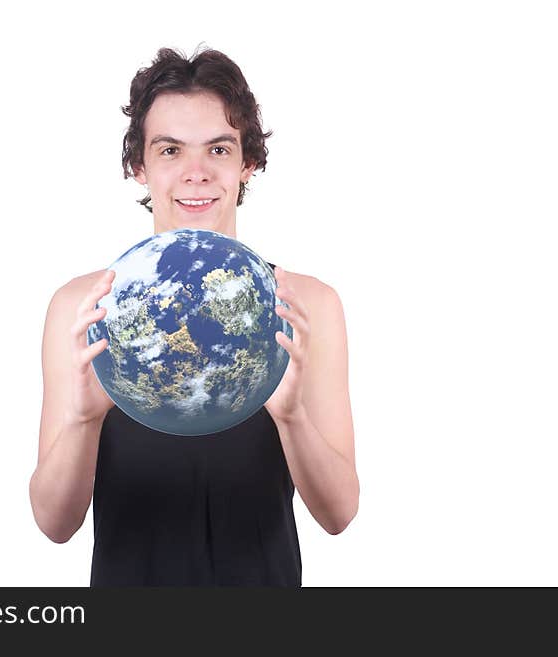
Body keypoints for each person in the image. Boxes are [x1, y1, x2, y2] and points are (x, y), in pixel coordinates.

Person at [29, 46, 359, 586]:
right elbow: (53, 522)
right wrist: (85, 421)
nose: (196, 173)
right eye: (170, 151)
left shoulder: (308, 305)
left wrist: (292, 416)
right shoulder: (83, 307)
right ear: (139, 166)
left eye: (219, 149)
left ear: (247, 162)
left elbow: (340, 514)